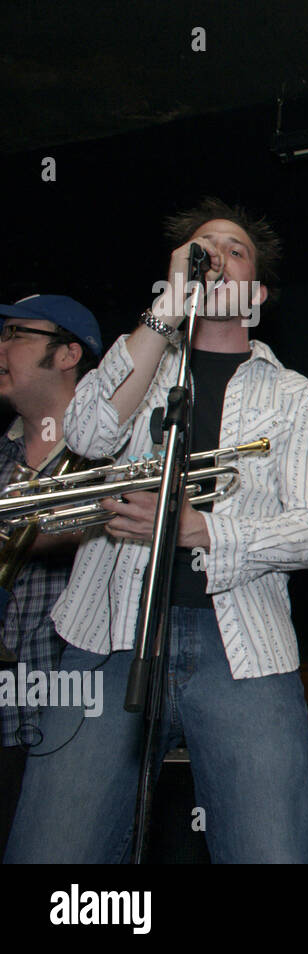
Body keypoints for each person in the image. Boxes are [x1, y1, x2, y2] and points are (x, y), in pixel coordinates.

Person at [5, 199, 308, 864]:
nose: (214, 256)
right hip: (108, 636)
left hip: (242, 647)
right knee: (52, 852)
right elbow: (92, 433)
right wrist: (164, 310)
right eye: (200, 249)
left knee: (271, 853)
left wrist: (198, 529)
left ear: (259, 292)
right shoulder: (138, 367)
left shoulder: (295, 396)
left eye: (233, 250)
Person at [0, 295, 102, 858]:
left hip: (75, 725)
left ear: (68, 354)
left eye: (15, 332)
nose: (0, 346)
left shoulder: (111, 456)